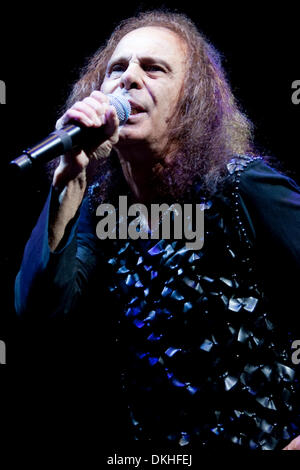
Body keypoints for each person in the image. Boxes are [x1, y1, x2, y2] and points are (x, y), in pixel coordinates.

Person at [14, 10, 300, 451]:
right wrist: (69, 178)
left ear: (191, 101)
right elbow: (39, 314)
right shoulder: (106, 213)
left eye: (153, 68)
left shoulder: (244, 189)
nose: (128, 79)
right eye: (116, 69)